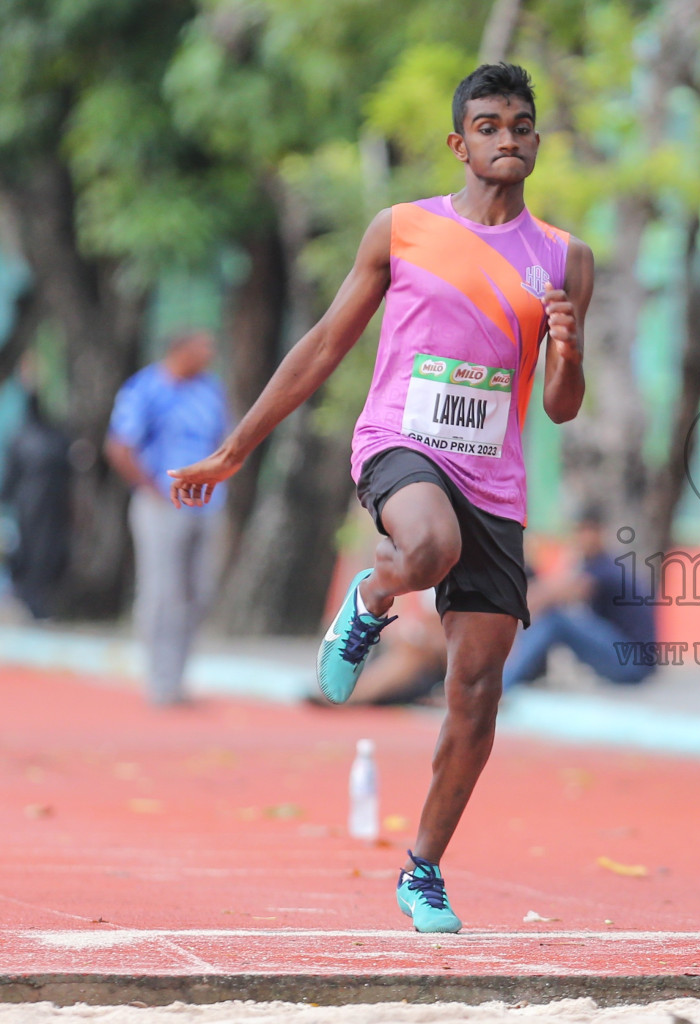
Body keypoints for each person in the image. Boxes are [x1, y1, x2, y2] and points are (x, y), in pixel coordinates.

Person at [166, 63, 593, 933]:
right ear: (458, 142)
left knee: (476, 692)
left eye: (520, 125)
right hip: (400, 444)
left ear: (536, 141)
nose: (505, 139)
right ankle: (370, 599)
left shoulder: (565, 257)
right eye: (487, 125)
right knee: (425, 547)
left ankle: (423, 870)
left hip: (495, 479)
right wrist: (234, 449)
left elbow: (558, 407)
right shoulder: (401, 231)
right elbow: (324, 346)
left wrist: (568, 347)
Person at [104, 332, 227, 706]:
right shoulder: (145, 389)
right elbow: (119, 446)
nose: (209, 354)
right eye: (201, 347)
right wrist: (151, 488)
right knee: (163, 592)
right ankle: (159, 681)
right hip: (160, 503)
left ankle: (178, 677)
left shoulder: (211, 390)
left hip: (205, 505)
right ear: (179, 350)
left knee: (198, 592)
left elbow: (224, 440)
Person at [501, 512, 656, 688]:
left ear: (600, 532)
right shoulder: (592, 565)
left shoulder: (606, 567)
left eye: (587, 532)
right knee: (551, 617)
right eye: (578, 532)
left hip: (633, 664)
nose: (582, 538)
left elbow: (557, 593)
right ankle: (520, 676)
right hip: (625, 658)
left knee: (555, 620)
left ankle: (504, 684)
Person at [1, 391, 71, 620]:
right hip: (47, 507)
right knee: (36, 554)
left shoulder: (23, 438)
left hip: (33, 507)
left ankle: (34, 601)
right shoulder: (55, 437)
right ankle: (32, 601)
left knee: (35, 555)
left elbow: (11, 477)